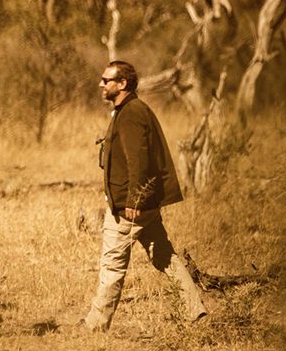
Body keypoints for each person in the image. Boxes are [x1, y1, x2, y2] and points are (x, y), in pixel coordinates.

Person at [81, 61, 208, 331]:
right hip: (143, 204)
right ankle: (195, 311)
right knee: (165, 256)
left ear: (123, 83)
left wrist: (133, 201)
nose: (101, 84)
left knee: (112, 264)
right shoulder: (128, 110)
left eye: (107, 80)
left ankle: (95, 324)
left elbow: (137, 161)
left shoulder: (130, 113)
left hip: (132, 207)